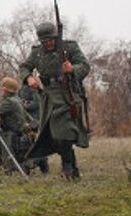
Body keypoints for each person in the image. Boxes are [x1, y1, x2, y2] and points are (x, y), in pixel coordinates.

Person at [19, 22, 90, 179]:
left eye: (51, 39)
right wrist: (29, 78)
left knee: (65, 132)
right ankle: (71, 166)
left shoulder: (69, 47)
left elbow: (85, 66)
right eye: (45, 41)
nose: (49, 43)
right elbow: (24, 67)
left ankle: (68, 168)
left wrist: (72, 69)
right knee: (54, 135)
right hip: (49, 96)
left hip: (69, 94)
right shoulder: (37, 53)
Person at [18, 84, 49, 174]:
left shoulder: (34, 89)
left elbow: (37, 103)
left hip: (35, 119)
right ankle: (28, 165)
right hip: (26, 120)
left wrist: (25, 106)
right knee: (27, 143)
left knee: (38, 143)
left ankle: (43, 164)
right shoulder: (21, 89)